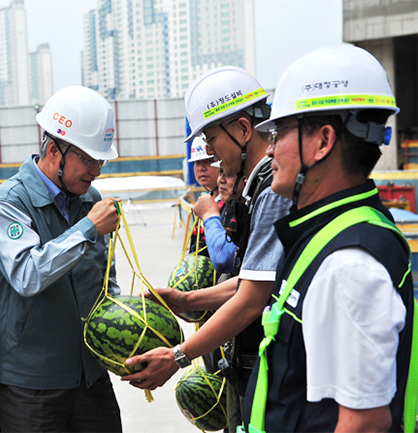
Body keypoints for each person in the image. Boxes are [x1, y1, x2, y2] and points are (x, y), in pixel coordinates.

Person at [241, 44, 415, 432]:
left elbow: (363, 423)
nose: (269, 151)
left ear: (322, 141)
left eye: (279, 133)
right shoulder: (331, 232)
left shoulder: (349, 263)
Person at [122, 66, 291, 433]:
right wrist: (188, 300)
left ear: (244, 130)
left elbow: (251, 298)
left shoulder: (273, 193)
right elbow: (254, 279)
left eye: (212, 139)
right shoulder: (256, 188)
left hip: (275, 366)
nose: (211, 153)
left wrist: (178, 357)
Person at [0, 85, 123, 432]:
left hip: (90, 375)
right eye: (89, 160)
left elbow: (106, 277)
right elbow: (27, 274)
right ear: (53, 150)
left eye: (101, 160)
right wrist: (87, 228)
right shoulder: (9, 203)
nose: (97, 170)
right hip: (32, 384)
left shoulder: (89, 197)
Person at [187, 137, 220, 256]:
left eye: (208, 161)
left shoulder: (231, 203)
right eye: (197, 162)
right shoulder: (204, 201)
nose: (202, 168)